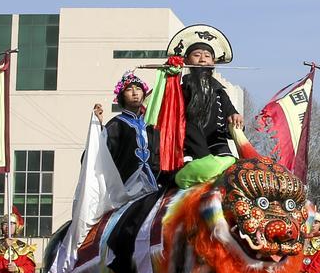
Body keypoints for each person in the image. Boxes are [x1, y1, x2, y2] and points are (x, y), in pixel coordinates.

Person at [155, 24, 246, 188]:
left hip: (219, 153)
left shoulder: (220, 94)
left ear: (213, 62)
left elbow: (231, 125)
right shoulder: (179, 92)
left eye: (207, 56)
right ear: (187, 61)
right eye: (197, 55)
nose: (203, 59)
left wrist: (236, 119)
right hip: (189, 154)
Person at [94, 71, 159, 194]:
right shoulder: (116, 124)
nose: (135, 93)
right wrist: (98, 127)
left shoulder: (152, 124)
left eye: (138, 89)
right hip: (126, 187)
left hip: (155, 184)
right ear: (122, 96)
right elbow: (99, 155)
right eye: (129, 90)